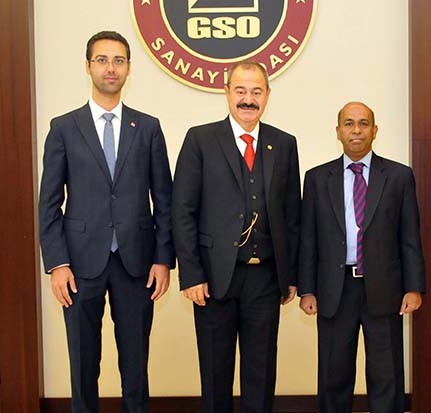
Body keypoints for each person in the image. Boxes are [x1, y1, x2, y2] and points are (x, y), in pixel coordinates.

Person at [38, 31, 175, 413]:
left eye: (118, 60)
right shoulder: (64, 127)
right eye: (102, 60)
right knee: (83, 363)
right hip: (79, 265)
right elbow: (49, 203)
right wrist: (57, 263)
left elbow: (164, 200)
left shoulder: (147, 127)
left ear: (129, 68)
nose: (110, 68)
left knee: (135, 364)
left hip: (137, 264)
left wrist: (163, 259)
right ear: (88, 67)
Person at [171, 61, 301, 413]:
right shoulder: (200, 140)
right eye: (241, 90)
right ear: (226, 92)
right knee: (216, 374)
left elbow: (292, 216)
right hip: (214, 279)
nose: (248, 99)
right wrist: (191, 274)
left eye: (256, 92)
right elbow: (182, 211)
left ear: (267, 95)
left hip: (266, 278)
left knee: (261, 372)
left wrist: (291, 275)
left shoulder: (284, 144)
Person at [298, 101, 426, 413]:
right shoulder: (317, 178)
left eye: (364, 123)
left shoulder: (398, 176)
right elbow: (308, 238)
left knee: (386, 374)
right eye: (349, 123)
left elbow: (409, 236)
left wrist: (414, 287)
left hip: (384, 288)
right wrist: (307, 289)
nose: (356, 130)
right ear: (338, 131)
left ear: (375, 130)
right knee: (334, 374)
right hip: (334, 289)